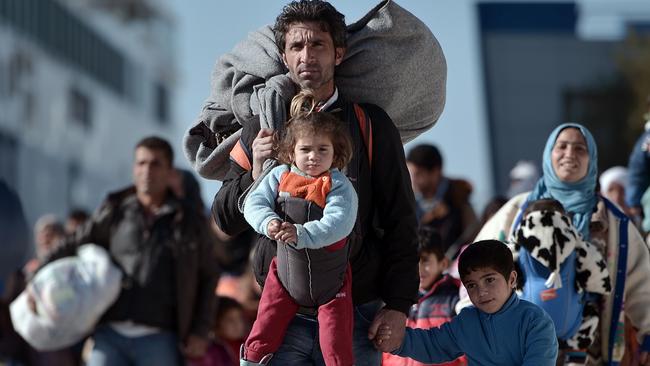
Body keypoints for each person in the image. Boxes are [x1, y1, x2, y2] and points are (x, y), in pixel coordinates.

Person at [210, 1, 419, 365]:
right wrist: (256, 172)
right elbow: (225, 219)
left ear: (339, 53)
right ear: (284, 57)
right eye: (296, 47)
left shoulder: (370, 126)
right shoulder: (261, 126)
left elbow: (401, 219)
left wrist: (399, 305)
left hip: (355, 315)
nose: (307, 55)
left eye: (317, 45)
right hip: (280, 317)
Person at [475, 123, 650, 365]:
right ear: (549, 153)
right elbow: (478, 267)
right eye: (562, 147)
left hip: (589, 355)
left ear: (592, 159)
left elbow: (642, 283)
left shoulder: (612, 222)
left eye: (580, 148)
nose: (570, 154)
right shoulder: (516, 211)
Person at [40, 136, 220, 366]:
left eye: (155, 164)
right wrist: (36, 274)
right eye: (141, 163)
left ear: (169, 172)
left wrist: (201, 330)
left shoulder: (189, 222)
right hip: (109, 335)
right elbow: (73, 243)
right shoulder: (115, 211)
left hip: (161, 337)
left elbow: (209, 275)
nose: (147, 171)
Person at [240, 91, 357, 365]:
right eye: (305, 150)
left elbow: (339, 222)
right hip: (284, 278)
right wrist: (269, 223)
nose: (313, 157)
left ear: (335, 153)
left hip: (331, 287)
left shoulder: (339, 185)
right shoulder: (279, 176)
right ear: (291, 152)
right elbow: (252, 203)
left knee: (336, 345)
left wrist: (302, 234)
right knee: (263, 328)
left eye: (322, 150)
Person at [377, 240, 558, 365]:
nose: (481, 291)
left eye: (489, 280)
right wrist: (396, 340)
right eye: (471, 285)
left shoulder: (535, 321)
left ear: (511, 279)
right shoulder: (467, 321)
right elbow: (433, 345)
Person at [382, 227, 465, 366]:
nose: (419, 269)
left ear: (443, 263)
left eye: (425, 260)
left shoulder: (455, 300)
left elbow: (465, 354)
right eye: (414, 262)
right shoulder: (393, 299)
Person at [406, 144, 478, 253]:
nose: (413, 180)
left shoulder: (459, 201)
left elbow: (474, 241)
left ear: (435, 172)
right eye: (410, 174)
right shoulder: (409, 203)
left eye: (418, 174)